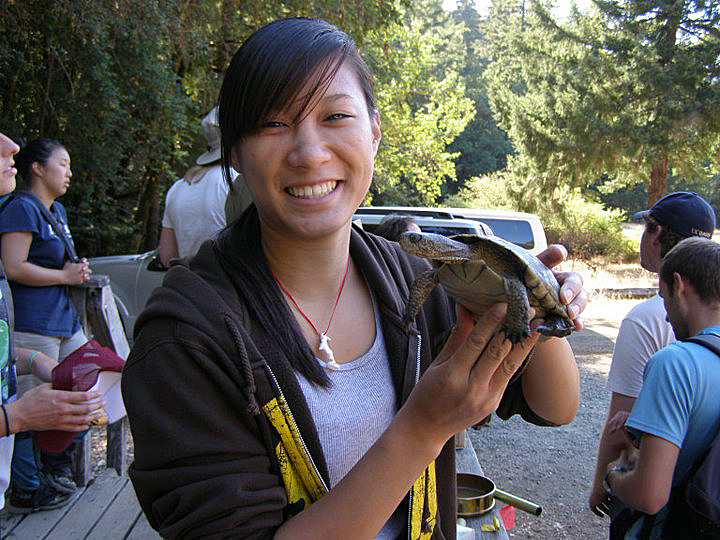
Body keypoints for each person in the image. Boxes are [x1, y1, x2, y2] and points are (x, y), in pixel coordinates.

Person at [122, 18, 585, 539]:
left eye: (335, 115)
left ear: (374, 131)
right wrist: (423, 429)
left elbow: (556, 407)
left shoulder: (415, 278)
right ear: (235, 151)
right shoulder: (185, 337)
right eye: (272, 124)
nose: (309, 152)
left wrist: (542, 297)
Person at [589, 192, 716, 517]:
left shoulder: (674, 362)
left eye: (664, 298)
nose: (665, 315)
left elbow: (649, 495)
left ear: (679, 286)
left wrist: (608, 479)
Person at [0, 131, 103, 511]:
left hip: (63, 319)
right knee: (26, 405)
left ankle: (56, 468)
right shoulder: (21, 207)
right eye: (63, 164)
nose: (69, 172)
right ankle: (27, 486)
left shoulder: (55, 212)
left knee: (81, 383)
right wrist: (64, 276)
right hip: (33, 322)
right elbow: (12, 266)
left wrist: (74, 270)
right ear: (38, 168)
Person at [158, 107, 250, 266]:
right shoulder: (240, 182)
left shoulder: (179, 187)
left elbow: (167, 257)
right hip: (232, 286)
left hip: (189, 284)